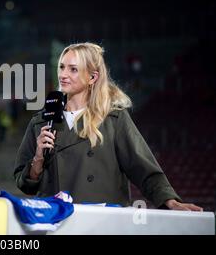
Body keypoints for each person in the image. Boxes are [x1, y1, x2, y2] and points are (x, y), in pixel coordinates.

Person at [14, 42, 202, 211]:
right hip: (55, 222)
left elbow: (142, 168)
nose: (63, 75)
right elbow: (25, 185)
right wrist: (38, 159)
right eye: (62, 67)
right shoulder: (40, 122)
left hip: (103, 222)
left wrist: (169, 200)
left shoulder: (114, 119)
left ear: (92, 77)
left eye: (73, 69)